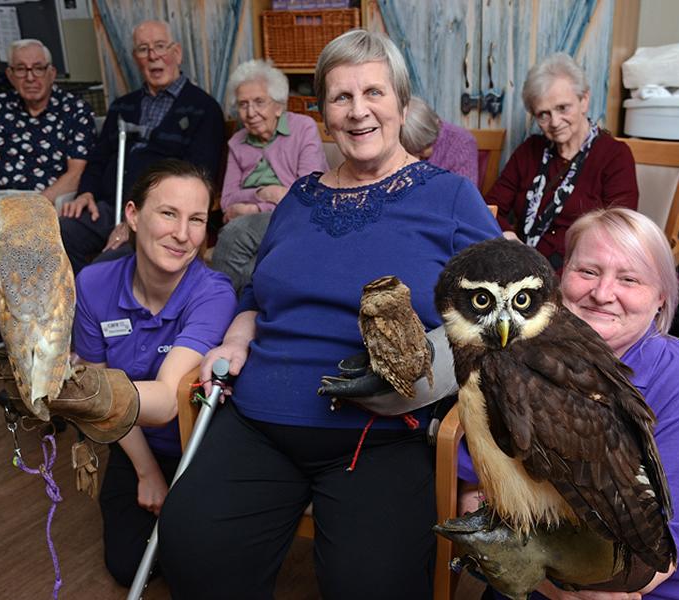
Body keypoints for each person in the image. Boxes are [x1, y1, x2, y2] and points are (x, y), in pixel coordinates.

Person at [157, 29, 501, 600]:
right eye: (341, 97)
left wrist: (435, 378)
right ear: (321, 114)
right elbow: (256, 295)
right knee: (191, 546)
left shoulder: (449, 198)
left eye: (374, 93)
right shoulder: (299, 196)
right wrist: (238, 337)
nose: (358, 110)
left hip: (380, 433)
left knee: (372, 586)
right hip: (258, 421)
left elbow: (506, 313)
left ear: (401, 103)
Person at [458, 207, 679, 600]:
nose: (603, 294)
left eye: (629, 279)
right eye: (587, 272)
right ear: (560, 277)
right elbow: (475, 488)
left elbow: (663, 557)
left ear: (661, 296)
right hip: (535, 581)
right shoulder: (512, 358)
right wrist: (527, 570)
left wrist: (530, 566)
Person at [71, 159, 237, 586]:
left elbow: (164, 399)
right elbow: (102, 394)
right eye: (168, 213)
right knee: (128, 566)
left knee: (196, 568)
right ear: (132, 215)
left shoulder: (212, 293)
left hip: (196, 447)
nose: (183, 235)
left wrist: (76, 393)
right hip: (132, 442)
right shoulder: (92, 284)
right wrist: (146, 473)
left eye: (196, 220)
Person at [59, 20, 225, 274]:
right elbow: (99, 159)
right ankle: (83, 304)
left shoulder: (204, 108)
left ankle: (97, 302)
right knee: (57, 235)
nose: (153, 56)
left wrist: (138, 218)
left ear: (176, 53)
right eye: (143, 49)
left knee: (105, 268)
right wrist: (86, 192)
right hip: (107, 206)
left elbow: (198, 178)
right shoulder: (122, 106)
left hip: (156, 217)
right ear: (136, 59)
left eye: (160, 46)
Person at [0, 38, 96, 356]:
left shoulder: (74, 109)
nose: (30, 77)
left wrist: (24, 211)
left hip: (46, 198)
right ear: (10, 74)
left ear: (52, 72)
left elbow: (76, 173)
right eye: (21, 69)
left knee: (27, 243)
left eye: (38, 68)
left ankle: (40, 337)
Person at [485, 53, 638, 271]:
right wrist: (510, 239)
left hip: (579, 272)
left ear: (584, 100)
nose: (555, 122)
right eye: (543, 114)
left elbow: (618, 230)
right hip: (520, 265)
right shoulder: (530, 150)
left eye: (562, 108)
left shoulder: (614, 156)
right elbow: (491, 207)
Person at [210, 59, 328, 292]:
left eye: (259, 102)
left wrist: (253, 208)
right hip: (255, 219)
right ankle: (237, 316)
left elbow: (307, 195)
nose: (250, 112)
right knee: (252, 267)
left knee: (235, 232)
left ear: (278, 105)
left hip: (295, 219)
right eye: (243, 104)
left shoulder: (303, 128)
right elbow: (228, 200)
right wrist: (266, 194)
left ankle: (217, 309)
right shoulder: (237, 142)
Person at [400, 95, 478, 185]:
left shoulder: (463, 143)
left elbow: (466, 195)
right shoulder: (393, 142)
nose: (424, 154)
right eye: (414, 151)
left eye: (428, 144)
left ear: (436, 122)